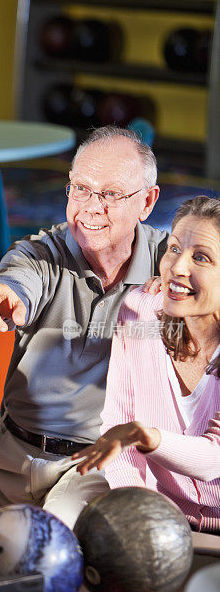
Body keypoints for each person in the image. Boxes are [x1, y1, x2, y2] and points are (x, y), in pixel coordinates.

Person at [0, 125, 168, 542]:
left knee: (51, 557)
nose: (90, 207)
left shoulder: (173, 264)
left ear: (147, 201)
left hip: (97, 467)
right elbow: (16, 279)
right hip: (4, 459)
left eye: (110, 195)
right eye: (80, 189)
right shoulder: (43, 253)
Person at [73, 196, 220, 533]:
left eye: (200, 257)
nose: (177, 267)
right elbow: (117, 420)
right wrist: (137, 511)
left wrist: (146, 436)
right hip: (161, 521)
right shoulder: (138, 310)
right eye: (173, 249)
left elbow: (214, 460)